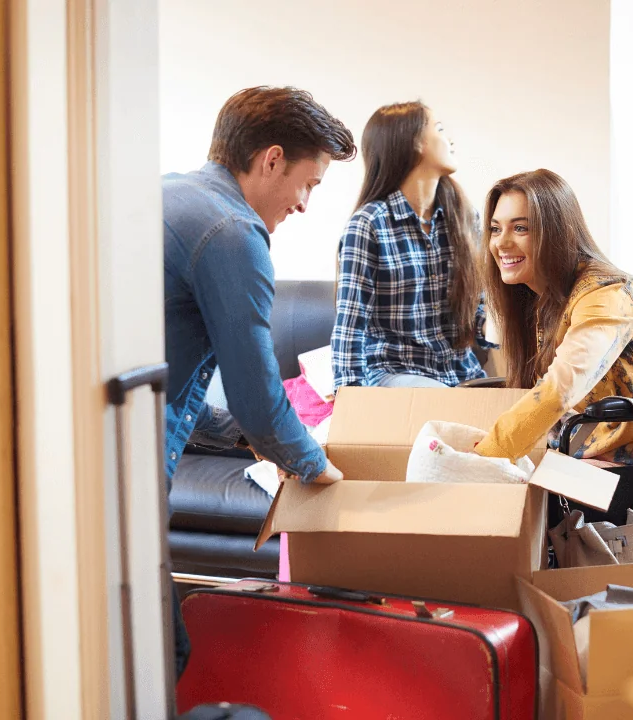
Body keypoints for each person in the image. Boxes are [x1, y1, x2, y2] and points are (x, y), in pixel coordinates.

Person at [160, 86, 355, 675]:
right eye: (310, 184)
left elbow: (179, 376)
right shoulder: (232, 233)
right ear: (271, 159)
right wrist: (316, 466)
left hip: (88, 452)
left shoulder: (170, 193)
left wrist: (247, 438)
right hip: (122, 466)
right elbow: (258, 402)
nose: (304, 204)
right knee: (165, 652)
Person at [471, 169, 633, 466]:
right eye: (496, 229)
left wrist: (485, 455)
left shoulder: (606, 295)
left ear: (557, 232)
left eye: (520, 228)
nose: (501, 243)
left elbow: (559, 389)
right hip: (579, 450)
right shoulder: (547, 297)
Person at [332, 101, 491, 390]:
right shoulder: (369, 224)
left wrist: (512, 327)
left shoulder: (466, 218)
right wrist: (350, 402)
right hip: (395, 374)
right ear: (415, 143)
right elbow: (350, 328)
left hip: (461, 376)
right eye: (440, 129)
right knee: (450, 406)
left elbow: (478, 310)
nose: (450, 140)